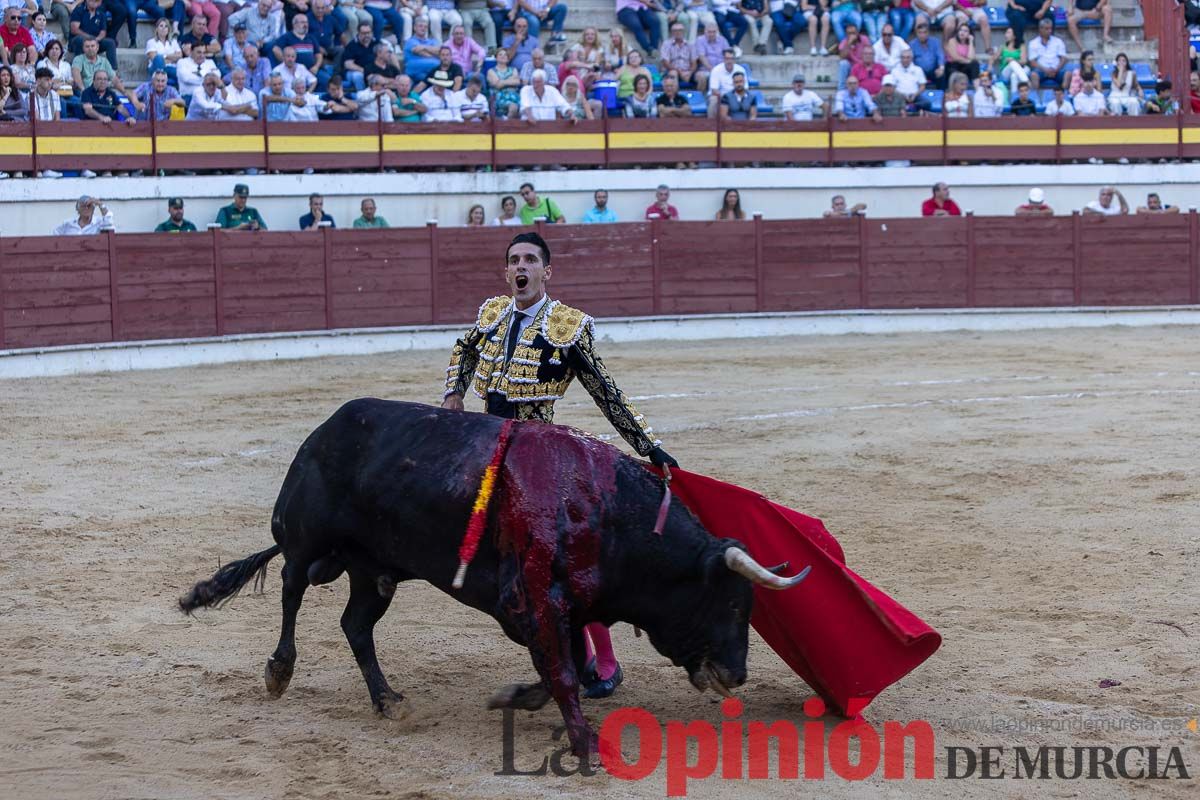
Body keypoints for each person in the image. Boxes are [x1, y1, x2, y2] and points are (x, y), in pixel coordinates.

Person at [441, 230, 677, 698]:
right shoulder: (491, 314)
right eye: (514, 260)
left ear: (546, 271)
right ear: (507, 271)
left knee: (563, 559)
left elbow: (606, 392)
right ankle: (576, 654)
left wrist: (649, 447)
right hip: (490, 450)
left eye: (530, 259)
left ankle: (603, 660)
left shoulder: (568, 326)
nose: (521, 267)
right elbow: (463, 349)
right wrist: (454, 391)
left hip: (539, 455)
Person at [1026, 17, 1065, 90]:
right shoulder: (1033, 43)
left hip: (1056, 69)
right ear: (1040, 29)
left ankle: (1064, 97)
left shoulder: (1058, 41)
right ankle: (1036, 98)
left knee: (1068, 74)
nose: (1050, 31)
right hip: (1041, 70)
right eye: (1047, 29)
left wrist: (1056, 69)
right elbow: (1032, 62)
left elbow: (1063, 59)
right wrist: (1045, 70)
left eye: (1050, 28)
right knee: (1034, 75)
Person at [991, 24, 1030, 96]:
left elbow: (1024, 61)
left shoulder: (1021, 46)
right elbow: (993, 58)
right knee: (1012, 63)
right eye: (1006, 32)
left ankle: (1014, 97)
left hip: (1020, 69)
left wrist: (1013, 60)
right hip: (1005, 72)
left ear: (1014, 36)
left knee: (1014, 76)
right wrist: (989, 67)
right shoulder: (1002, 47)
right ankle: (1026, 82)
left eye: (1009, 33)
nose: (1006, 35)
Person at [908, 18, 944, 89]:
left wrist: (941, 68)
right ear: (916, 33)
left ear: (928, 33)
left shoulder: (935, 42)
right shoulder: (912, 44)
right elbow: (910, 60)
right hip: (918, 71)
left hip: (933, 70)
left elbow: (940, 56)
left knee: (941, 74)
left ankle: (942, 96)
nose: (922, 35)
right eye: (920, 33)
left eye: (924, 32)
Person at [488, 44, 521, 118]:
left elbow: (517, 82)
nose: (503, 56)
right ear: (496, 58)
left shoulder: (513, 69)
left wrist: (502, 82)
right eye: (500, 54)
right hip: (499, 97)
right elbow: (497, 85)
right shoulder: (491, 71)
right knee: (513, 107)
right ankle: (505, 125)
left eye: (505, 55)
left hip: (514, 96)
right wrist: (510, 80)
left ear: (508, 58)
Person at [1107, 52, 1140, 116]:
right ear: (1116, 63)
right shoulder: (1113, 74)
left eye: (1124, 60)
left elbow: (1136, 85)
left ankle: (1134, 122)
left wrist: (1139, 90)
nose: (1121, 62)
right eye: (1119, 60)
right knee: (1115, 103)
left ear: (1127, 62)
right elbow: (1119, 85)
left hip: (1126, 95)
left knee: (1134, 102)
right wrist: (1120, 71)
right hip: (1115, 96)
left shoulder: (1132, 73)